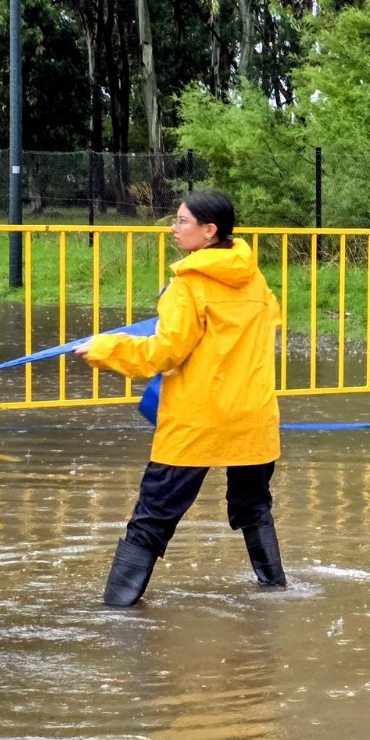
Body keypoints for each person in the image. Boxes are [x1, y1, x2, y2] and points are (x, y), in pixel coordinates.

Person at [74, 190, 286, 605]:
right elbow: (261, 327)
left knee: (152, 517)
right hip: (254, 417)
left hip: (198, 419)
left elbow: (164, 352)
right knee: (254, 507)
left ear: (210, 231)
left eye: (183, 221)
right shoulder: (256, 280)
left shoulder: (188, 285)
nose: (174, 228)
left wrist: (105, 349)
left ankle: (114, 614)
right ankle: (276, 594)